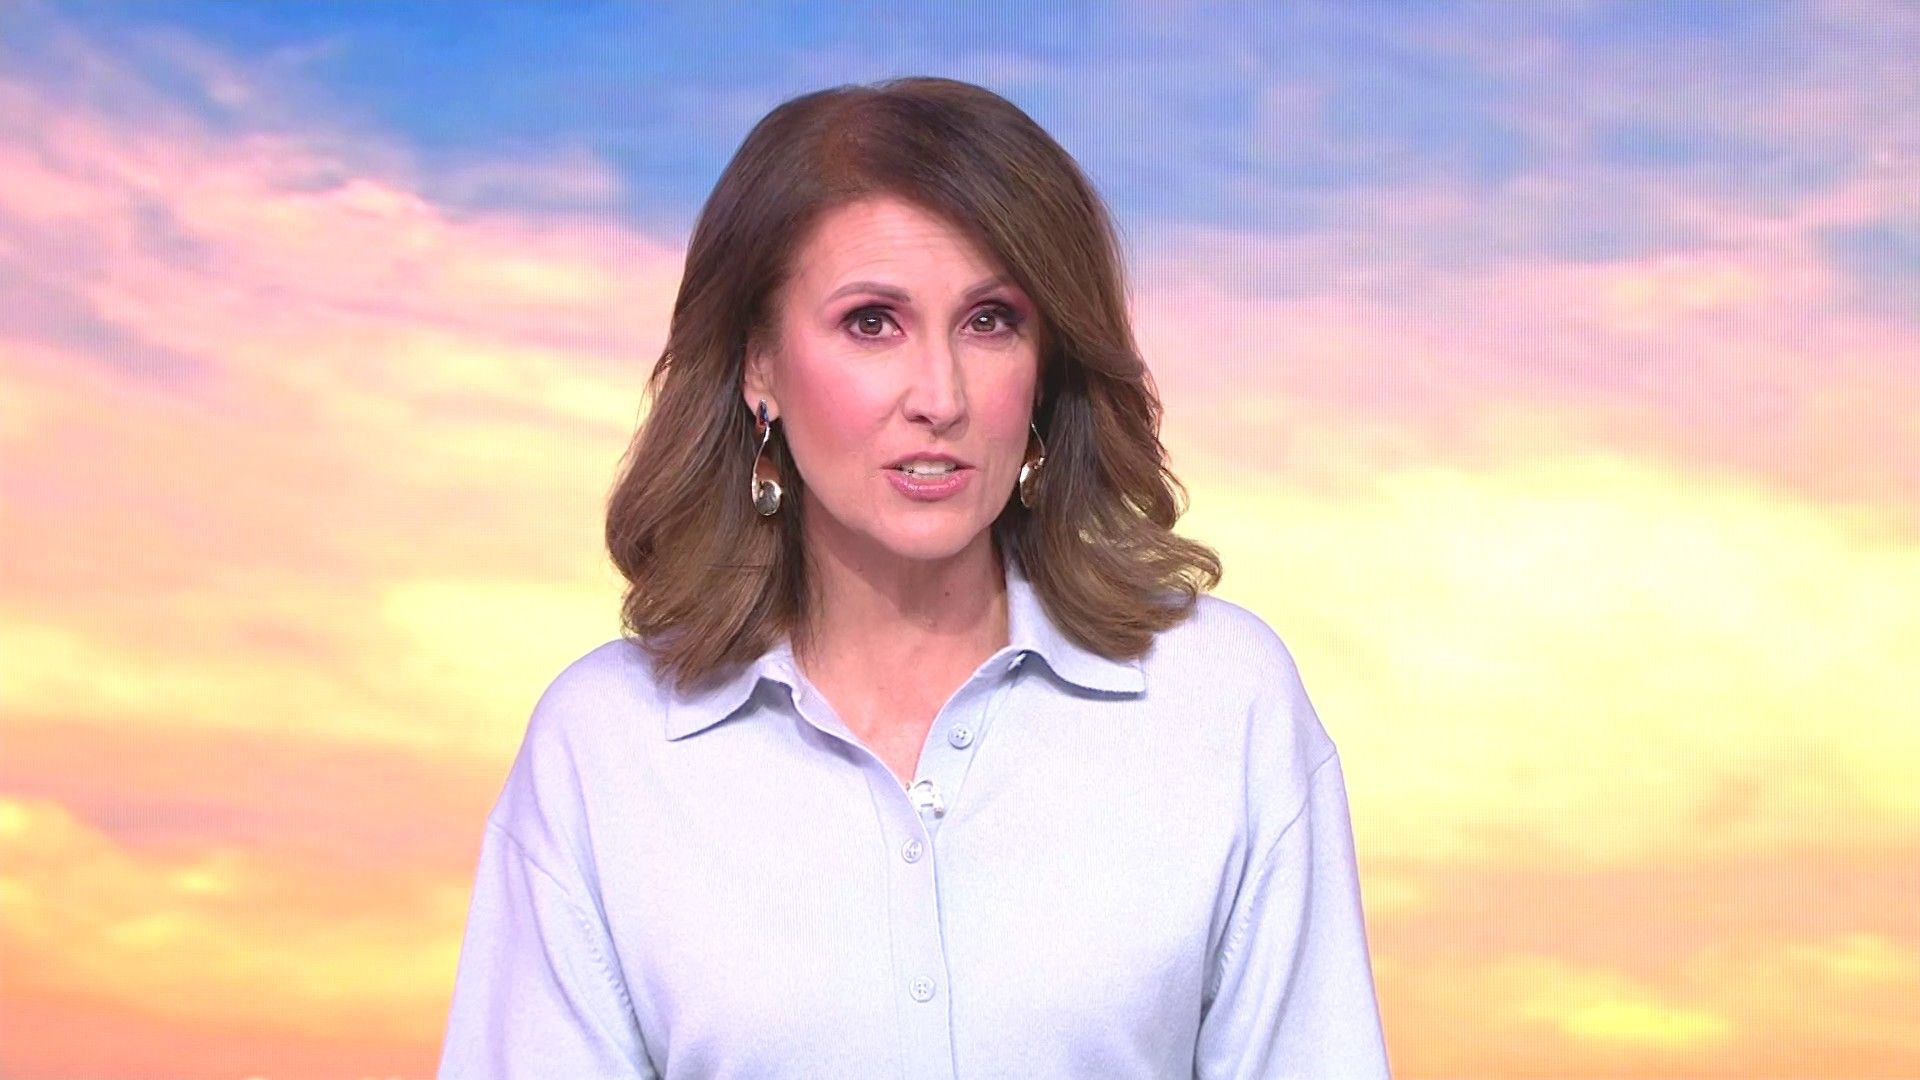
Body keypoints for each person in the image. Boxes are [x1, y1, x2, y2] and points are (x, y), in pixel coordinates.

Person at [438, 75, 1390, 1079]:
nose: (940, 396)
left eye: (990, 321)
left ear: (1047, 363)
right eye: (871, 323)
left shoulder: (1221, 704)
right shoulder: (605, 749)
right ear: (759, 364)